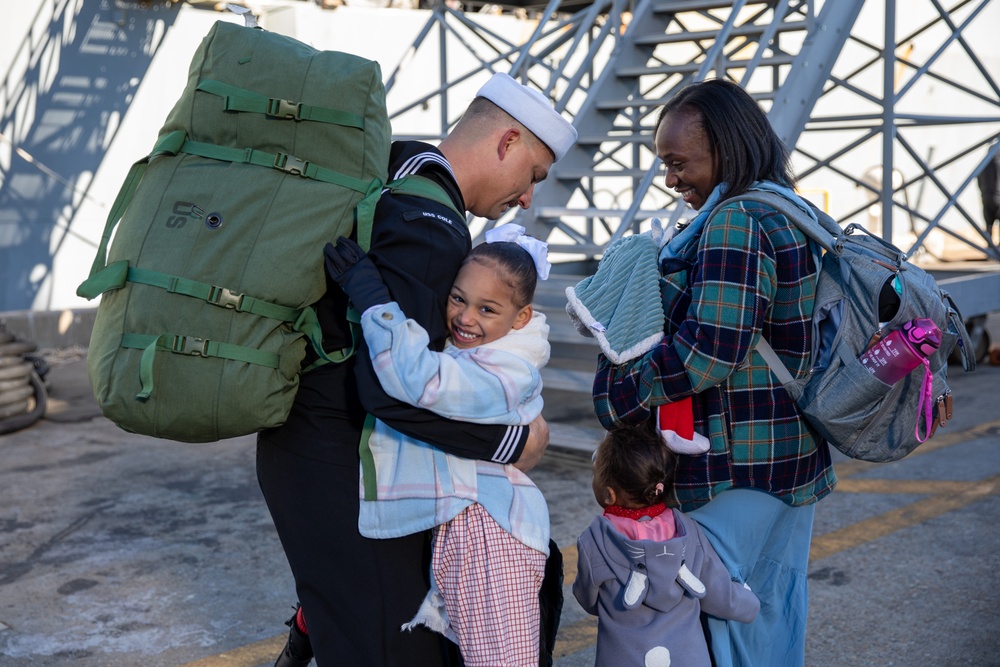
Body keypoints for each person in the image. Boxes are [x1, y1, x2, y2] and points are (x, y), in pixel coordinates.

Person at [259, 71, 577, 667]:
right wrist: (507, 441)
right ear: (506, 142)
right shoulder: (430, 223)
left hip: (312, 455)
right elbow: (392, 384)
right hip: (341, 464)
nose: (528, 197)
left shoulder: (400, 170)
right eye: (532, 175)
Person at [590, 78, 837, 667]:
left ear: (725, 148)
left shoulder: (736, 220)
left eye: (679, 163)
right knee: (769, 611)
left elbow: (709, 351)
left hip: (735, 471)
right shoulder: (788, 209)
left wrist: (622, 394)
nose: (671, 180)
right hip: (788, 461)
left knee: (717, 622)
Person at [327, 230, 552, 667]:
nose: (465, 318)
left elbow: (419, 379)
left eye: (487, 309)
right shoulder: (483, 353)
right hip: (473, 527)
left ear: (521, 318)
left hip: (490, 536)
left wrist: (372, 295)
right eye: (457, 299)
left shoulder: (506, 372)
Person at [573, 422, 759, 667]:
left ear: (610, 494)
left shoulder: (594, 540)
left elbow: (587, 597)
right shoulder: (687, 531)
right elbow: (718, 594)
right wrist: (751, 605)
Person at [977, 144, 999, 244]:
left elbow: (978, 179)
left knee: (989, 225)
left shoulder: (984, 164)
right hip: (998, 197)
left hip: (986, 197)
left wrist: (983, 192)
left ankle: (990, 247)